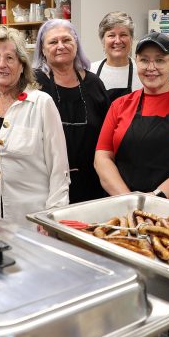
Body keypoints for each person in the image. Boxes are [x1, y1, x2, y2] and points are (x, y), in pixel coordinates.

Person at [94, 32, 169, 206]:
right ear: (136, 62)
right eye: (144, 60)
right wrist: (131, 201)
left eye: (160, 60)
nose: (151, 67)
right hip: (124, 207)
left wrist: (156, 197)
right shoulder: (119, 106)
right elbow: (102, 159)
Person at [0, 26, 69, 227]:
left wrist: (53, 217)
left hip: (35, 220)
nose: (2, 65)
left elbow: (59, 168)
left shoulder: (41, 103)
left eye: (10, 58)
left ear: (21, 65)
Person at [34, 19, 110, 203]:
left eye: (67, 40)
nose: (61, 46)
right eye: (53, 42)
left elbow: (108, 135)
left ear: (76, 45)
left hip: (93, 183)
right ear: (42, 50)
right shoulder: (33, 84)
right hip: (47, 185)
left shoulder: (94, 84)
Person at [95, 11, 142, 101]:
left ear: (131, 39)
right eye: (111, 35)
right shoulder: (90, 71)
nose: (117, 41)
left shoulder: (143, 72)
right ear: (103, 40)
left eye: (123, 35)